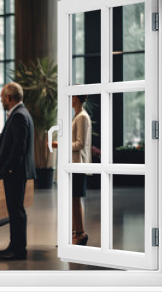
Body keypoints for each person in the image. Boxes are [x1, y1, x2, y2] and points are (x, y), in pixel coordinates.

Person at [0, 82, 36, 260]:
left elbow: (19, 147)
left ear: (9, 98)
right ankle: (14, 246)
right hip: (16, 171)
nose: (1, 101)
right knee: (15, 211)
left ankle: (18, 250)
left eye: (3, 97)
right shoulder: (21, 113)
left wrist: (8, 168)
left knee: (16, 211)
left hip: (15, 172)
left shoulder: (19, 115)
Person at [71, 94, 92, 246]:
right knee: (74, 199)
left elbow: (80, 143)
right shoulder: (78, 116)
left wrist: (59, 144)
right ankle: (77, 232)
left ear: (75, 98)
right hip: (74, 164)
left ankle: (80, 233)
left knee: (75, 199)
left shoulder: (82, 117)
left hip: (78, 164)